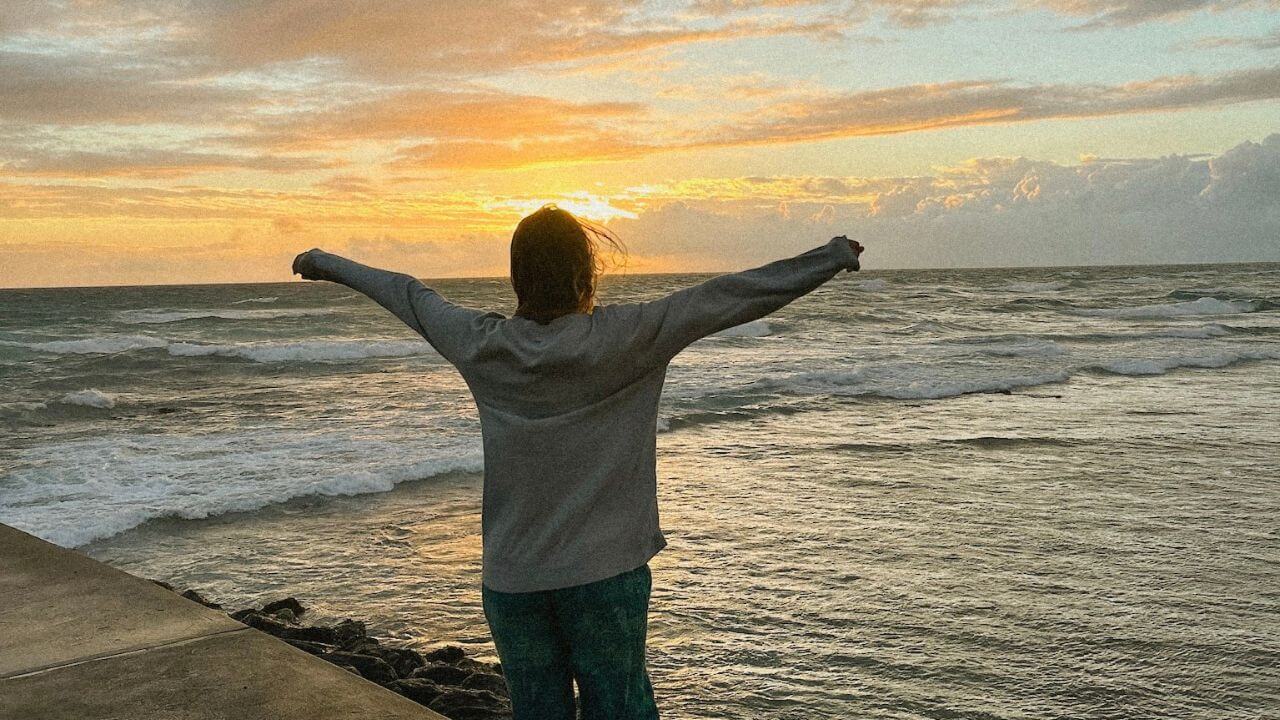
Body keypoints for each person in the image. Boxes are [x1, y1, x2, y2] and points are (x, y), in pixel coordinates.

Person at [292, 204, 864, 719]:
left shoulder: (480, 343)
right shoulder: (627, 337)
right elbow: (732, 295)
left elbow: (407, 293)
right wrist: (829, 258)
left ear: (516, 277)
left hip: (513, 579)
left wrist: (324, 262)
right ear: (584, 274)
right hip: (603, 575)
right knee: (618, 707)